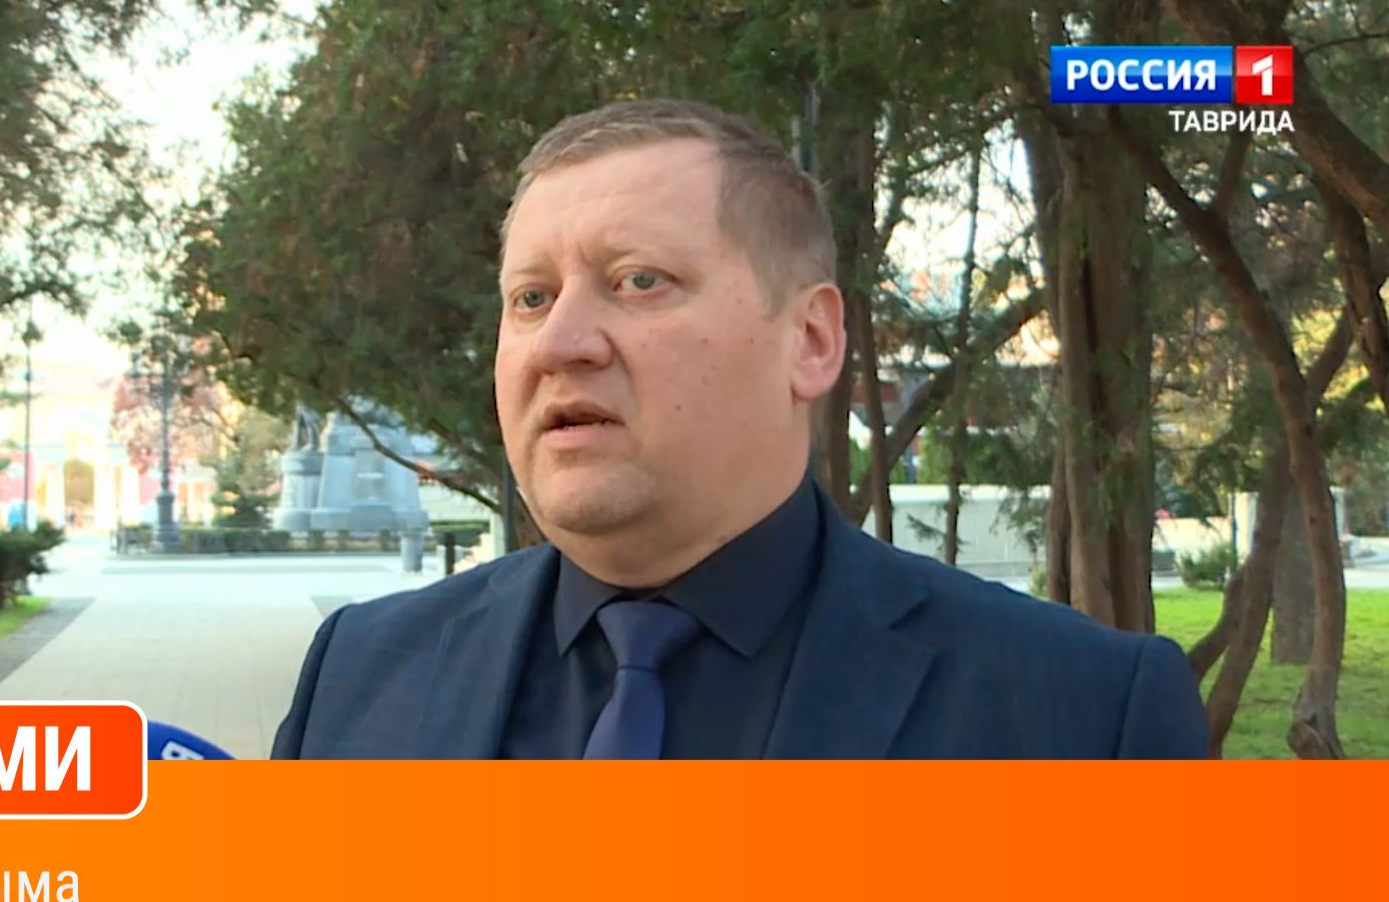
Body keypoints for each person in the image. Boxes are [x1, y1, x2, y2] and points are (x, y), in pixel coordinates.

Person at [273, 99, 1207, 759]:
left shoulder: (1082, 717)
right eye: (531, 297)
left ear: (811, 340)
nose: (560, 342)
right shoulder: (357, 677)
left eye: (639, 281)